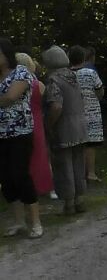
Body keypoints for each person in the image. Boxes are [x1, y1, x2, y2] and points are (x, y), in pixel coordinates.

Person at [0, 37, 44, 239]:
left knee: (20, 174)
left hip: (20, 132)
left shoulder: (21, 72)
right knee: (6, 178)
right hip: (1, 134)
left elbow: (11, 97)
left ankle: (35, 222)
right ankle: (18, 222)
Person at [42, 45, 89, 215]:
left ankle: (68, 204)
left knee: (63, 167)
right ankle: (80, 201)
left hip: (63, 129)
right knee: (78, 164)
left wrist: (48, 124)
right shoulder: (73, 76)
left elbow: (56, 106)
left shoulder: (53, 80)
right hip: (80, 127)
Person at [15, 53, 55, 199]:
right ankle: (46, 186)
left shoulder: (14, 84)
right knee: (42, 153)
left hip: (22, 120)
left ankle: (29, 187)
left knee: (26, 156)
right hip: (37, 120)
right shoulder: (38, 84)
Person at [69, 46, 104, 182]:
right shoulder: (90, 73)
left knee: (77, 144)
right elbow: (100, 90)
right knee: (91, 144)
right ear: (83, 58)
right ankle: (90, 173)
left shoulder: (66, 74)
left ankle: (77, 174)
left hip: (73, 112)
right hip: (91, 112)